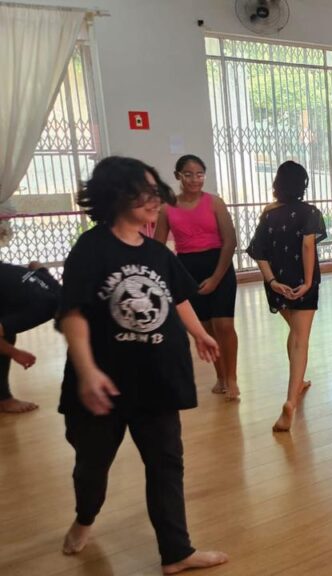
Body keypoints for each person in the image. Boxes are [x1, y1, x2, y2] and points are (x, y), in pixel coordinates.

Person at [57, 156, 228, 573]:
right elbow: (73, 314)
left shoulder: (156, 253)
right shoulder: (90, 249)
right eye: (145, 192)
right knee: (92, 466)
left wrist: (198, 333)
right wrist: (87, 371)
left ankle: (176, 552)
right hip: (104, 386)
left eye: (156, 192)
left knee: (166, 464)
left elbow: (177, 297)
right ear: (117, 195)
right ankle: (85, 516)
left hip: (156, 381)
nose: (155, 200)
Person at [245, 161, 327, 432]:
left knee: (294, 332)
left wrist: (272, 281)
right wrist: (307, 282)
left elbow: (258, 251)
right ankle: (291, 401)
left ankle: (298, 381)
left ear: (277, 184)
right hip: (303, 283)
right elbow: (307, 246)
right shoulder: (310, 212)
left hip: (277, 284)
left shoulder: (268, 214)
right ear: (303, 184)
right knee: (301, 339)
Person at [155, 155, 240, 401]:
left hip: (219, 267)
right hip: (188, 271)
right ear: (178, 176)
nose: (195, 179)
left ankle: (232, 378)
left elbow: (230, 241)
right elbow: (158, 247)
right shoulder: (167, 208)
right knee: (205, 329)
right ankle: (220, 377)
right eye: (189, 174)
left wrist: (215, 278)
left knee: (224, 325)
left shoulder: (215, 203)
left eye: (200, 174)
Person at [0, 261, 59, 413]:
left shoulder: (55, 288)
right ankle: (4, 400)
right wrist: (15, 353)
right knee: (7, 337)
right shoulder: (41, 310)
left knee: (7, 331)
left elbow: (35, 264)